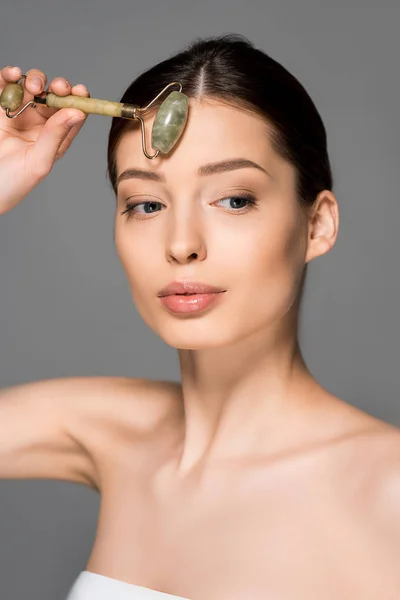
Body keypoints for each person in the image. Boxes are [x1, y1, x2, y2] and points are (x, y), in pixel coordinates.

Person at [0, 34, 399, 600]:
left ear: (317, 225)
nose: (182, 243)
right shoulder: (112, 433)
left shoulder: (387, 492)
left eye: (234, 199)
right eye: (146, 204)